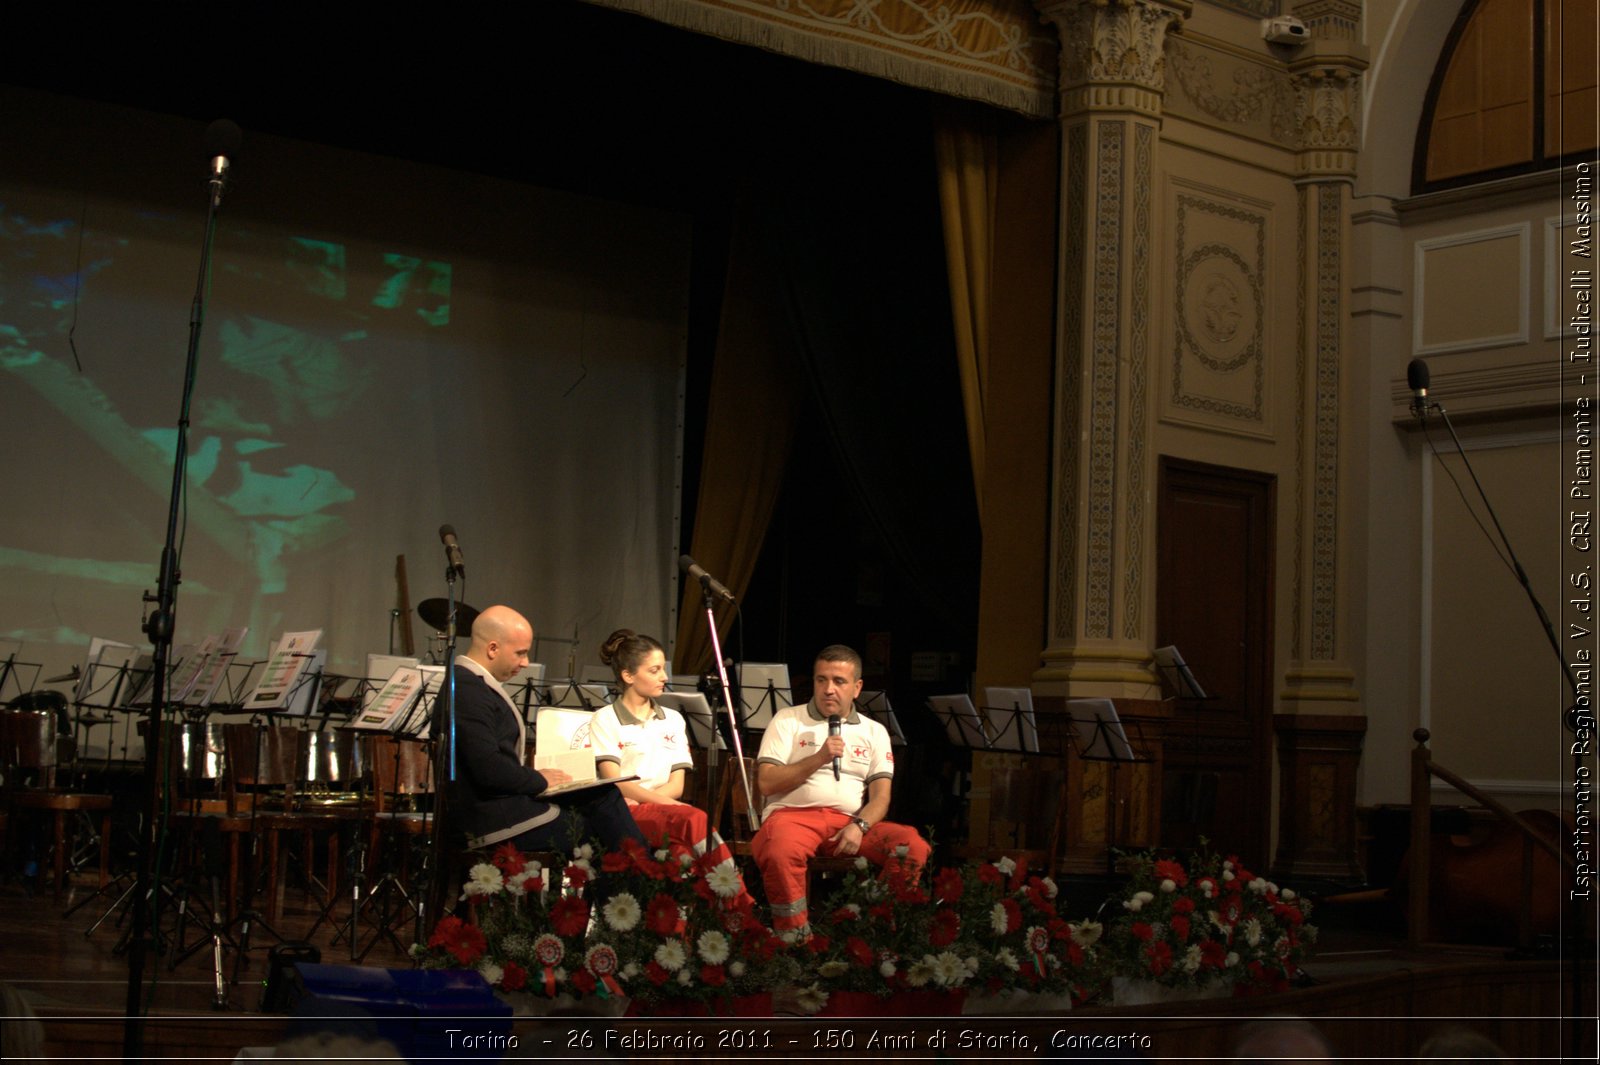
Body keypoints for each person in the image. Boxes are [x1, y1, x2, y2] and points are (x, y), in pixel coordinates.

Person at [749, 644, 931, 933]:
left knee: (911, 845)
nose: (828, 689)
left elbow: (881, 798)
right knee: (779, 849)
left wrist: (859, 825)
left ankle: (875, 931)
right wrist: (820, 757)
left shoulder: (874, 731)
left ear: (857, 688)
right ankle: (794, 939)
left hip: (848, 823)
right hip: (792, 818)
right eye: (821, 680)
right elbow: (767, 782)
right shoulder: (787, 720)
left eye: (839, 681)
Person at [448, 605, 645, 856]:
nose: (525, 662)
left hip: (500, 807)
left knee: (602, 796)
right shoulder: (467, 689)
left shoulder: (472, 684)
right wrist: (540, 780)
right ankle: (641, 879)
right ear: (493, 648)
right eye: (520, 653)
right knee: (599, 830)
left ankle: (641, 876)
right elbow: (487, 768)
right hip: (490, 819)